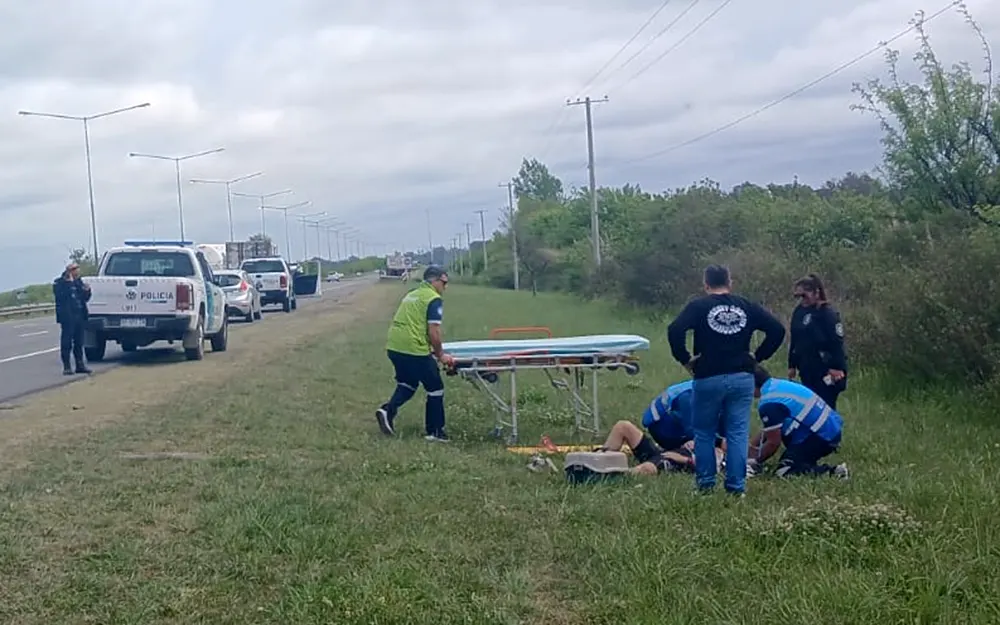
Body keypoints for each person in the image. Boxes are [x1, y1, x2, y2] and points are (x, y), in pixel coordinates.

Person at [666, 264, 786, 496]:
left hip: (708, 375)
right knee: (738, 432)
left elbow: (675, 329)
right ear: (730, 283)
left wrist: (685, 359)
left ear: (706, 284)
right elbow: (777, 330)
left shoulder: (698, 306)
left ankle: (705, 485)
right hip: (742, 376)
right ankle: (736, 487)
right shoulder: (745, 305)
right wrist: (756, 357)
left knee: (704, 432)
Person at [376, 265, 454, 442]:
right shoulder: (433, 298)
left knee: (408, 383)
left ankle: (387, 411)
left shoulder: (412, 294)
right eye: (444, 282)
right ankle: (435, 432)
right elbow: (434, 331)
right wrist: (441, 355)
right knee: (435, 388)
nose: (445, 287)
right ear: (434, 281)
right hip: (414, 349)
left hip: (395, 346)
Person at [748, 366, 848, 479]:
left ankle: (834, 473)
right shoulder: (777, 385)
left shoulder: (768, 403)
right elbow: (770, 429)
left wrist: (753, 462)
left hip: (820, 436)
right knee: (793, 459)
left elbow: (773, 443)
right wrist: (751, 447)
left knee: (785, 471)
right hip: (828, 429)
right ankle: (805, 463)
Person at [788, 273, 848, 409]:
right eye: (799, 297)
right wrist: (791, 364)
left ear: (816, 292)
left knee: (826, 407)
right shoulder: (799, 312)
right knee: (810, 407)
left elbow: (837, 342)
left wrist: (836, 367)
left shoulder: (827, 313)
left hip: (825, 368)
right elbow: (795, 338)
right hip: (807, 367)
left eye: (804, 295)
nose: (802, 300)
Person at [595, 420, 723, 476]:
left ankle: (609, 475)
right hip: (668, 450)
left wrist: (684, 460)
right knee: (623, 426)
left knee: (648, 468)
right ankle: (596, 460)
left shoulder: (730, 458)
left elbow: (710, 468)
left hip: (679, 461)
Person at [52, 262, 93, 376]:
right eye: (74, 269)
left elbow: (84, 298)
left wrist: (87, 290)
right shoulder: (60, 283)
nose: (77, 271)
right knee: (67, 342)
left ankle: (80, 365)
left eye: (77, 269)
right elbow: (60, 296)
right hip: (68, 317)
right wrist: (68, 284)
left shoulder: (78, 282)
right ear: (69, 271)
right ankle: (67, 366)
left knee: (79, 342)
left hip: (79, 315)